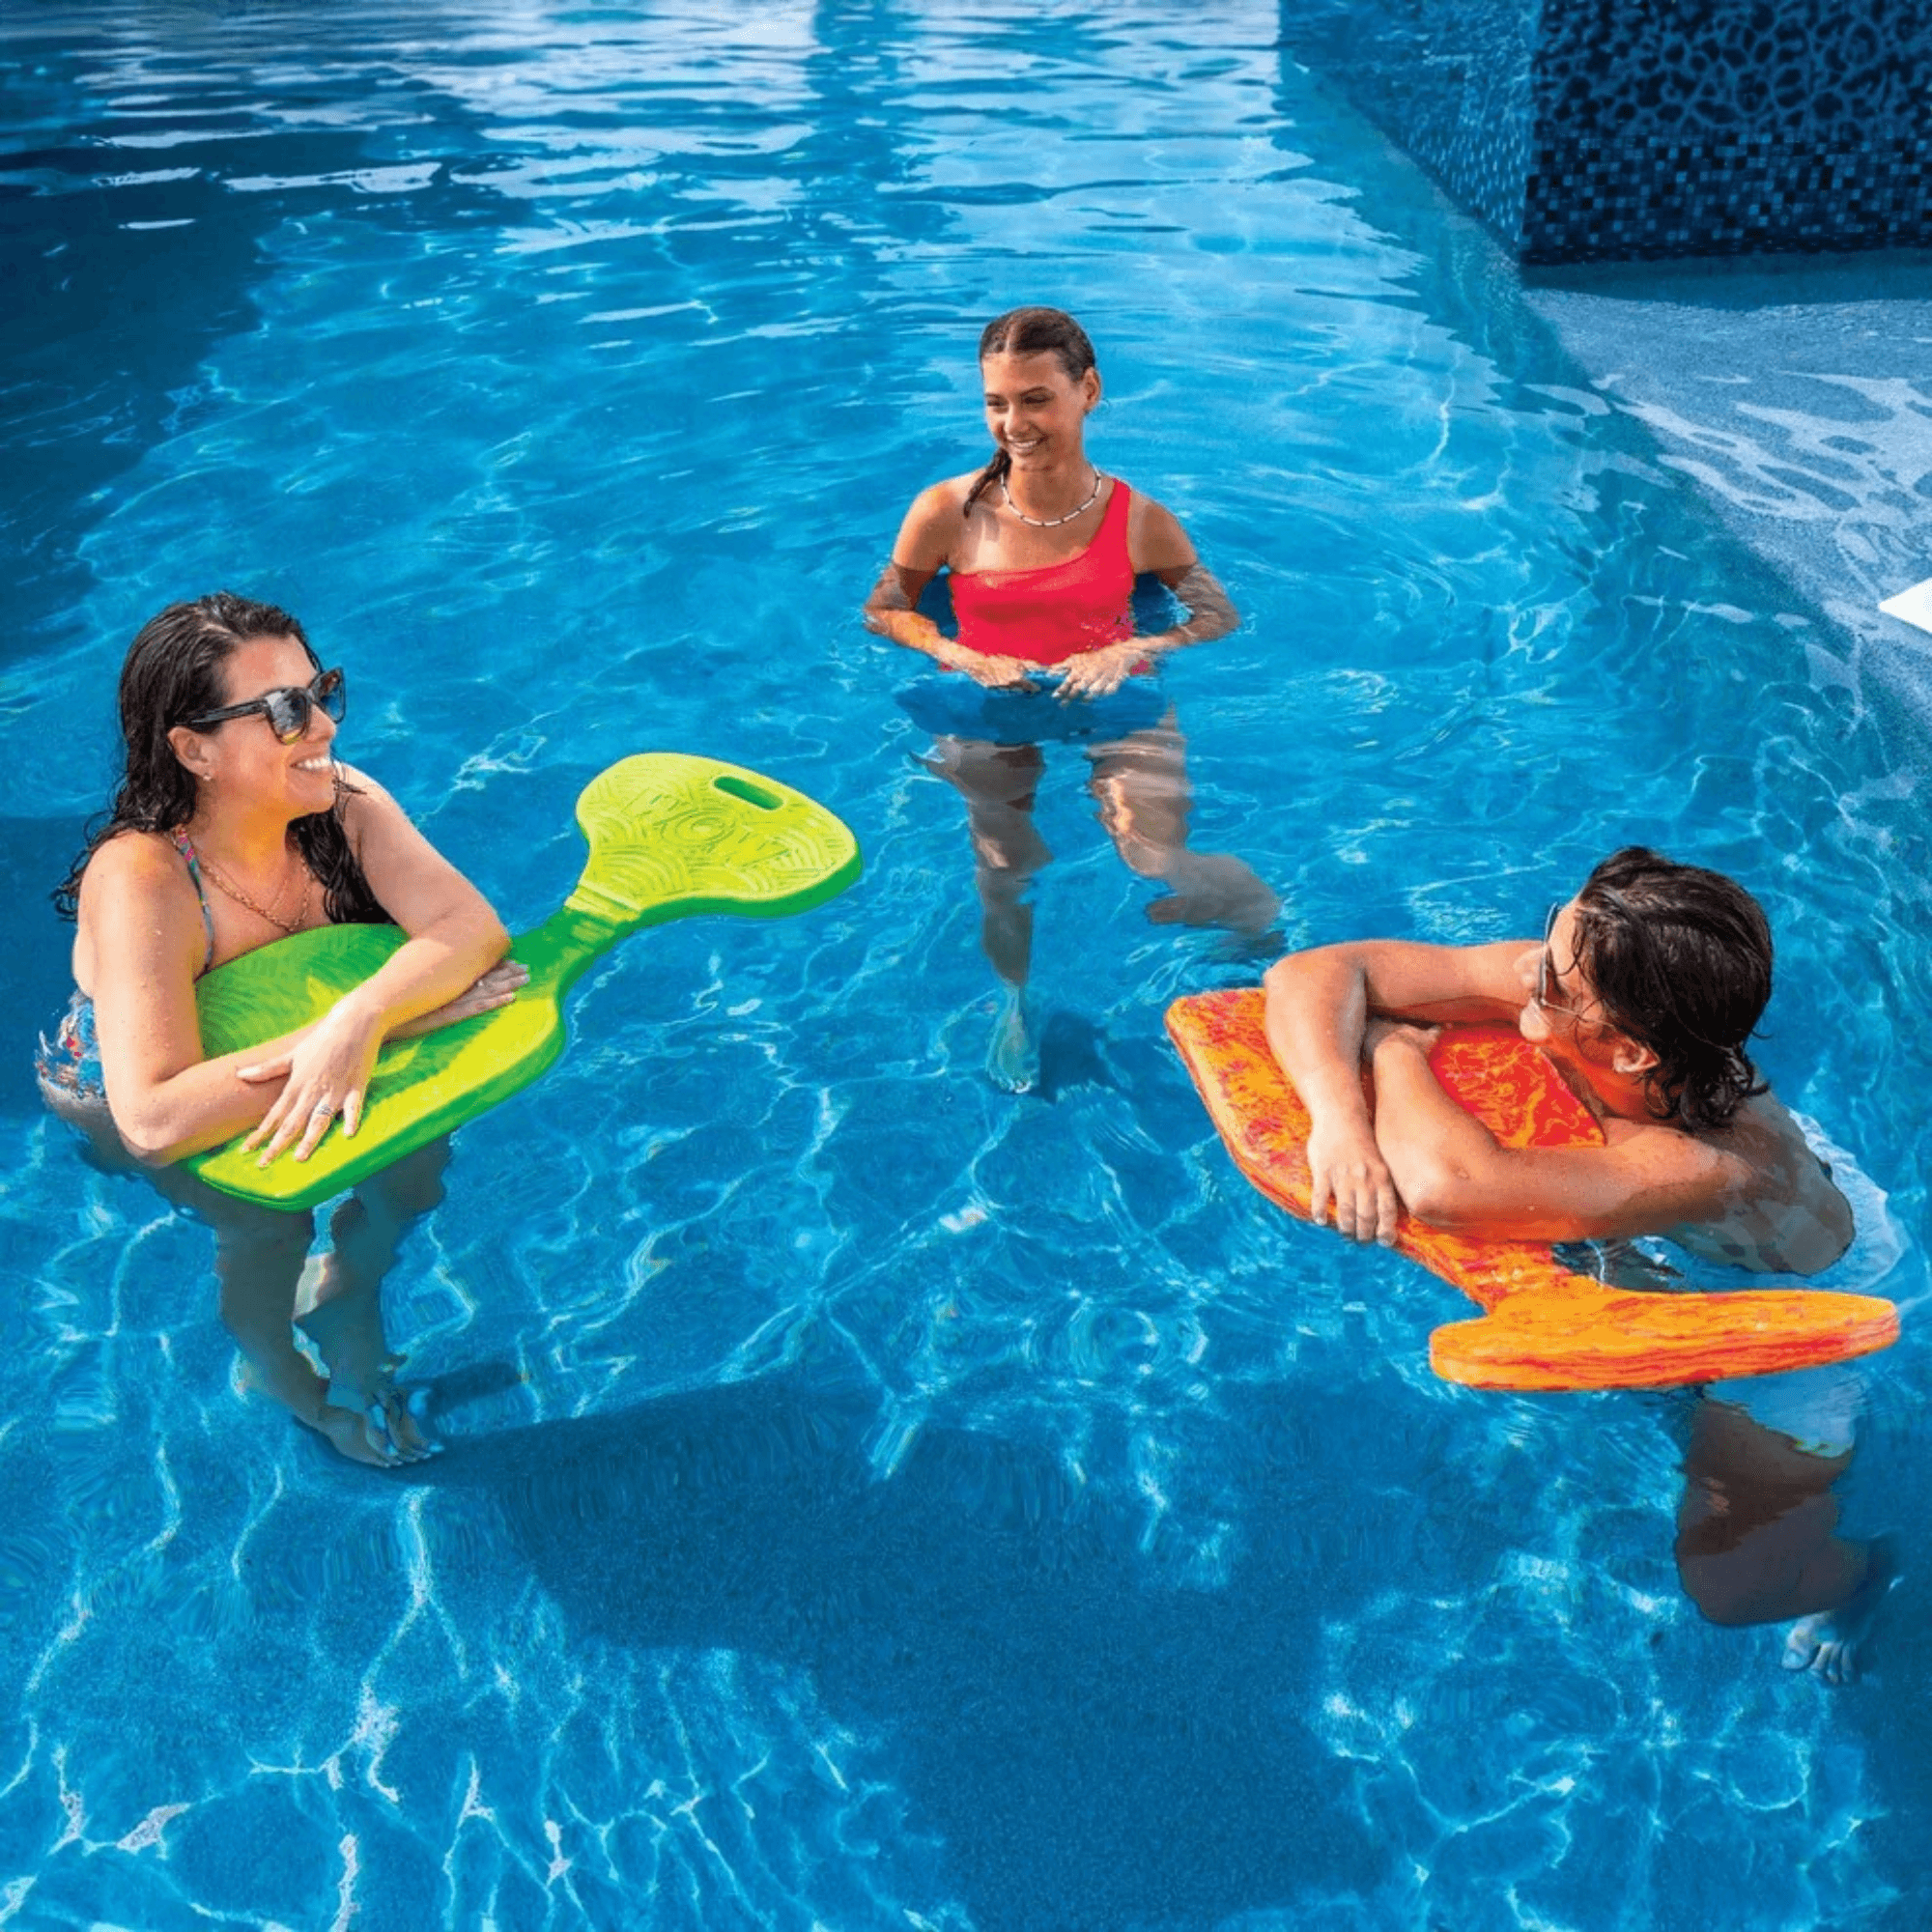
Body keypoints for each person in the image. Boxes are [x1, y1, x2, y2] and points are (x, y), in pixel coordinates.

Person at [1264, 846, 1889, 1676]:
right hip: (1730, 1223)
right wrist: (1340, 1123)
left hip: (1802, 1313)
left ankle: (1871, 1577)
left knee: (1728, 1583)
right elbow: (1312, 973)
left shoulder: (1711, 1165)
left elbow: (1451, 1186)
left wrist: (1394, 1054)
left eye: (1553, 985)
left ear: (1630, 1050)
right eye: (1550, 939)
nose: (1530, 978)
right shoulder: (1619, 1002)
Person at [40, 591, 526, 1465]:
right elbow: (152, 1117)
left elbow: (470, 930)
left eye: (321, 690)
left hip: (322, 1036)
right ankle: (285, 1376)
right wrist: (370, 1034)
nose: (323, 728)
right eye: (281, 710)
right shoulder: (145, 877)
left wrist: (368, 1016)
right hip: (125, 1085)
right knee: (271, 1223)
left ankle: (347, 1296)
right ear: (194, 750)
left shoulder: (342, 806)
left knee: (416, 1172)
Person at [865, 305, 1277, 1092]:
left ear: (1088, 390)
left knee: (1151, 853)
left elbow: (1218, 616)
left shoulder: (1140, 520)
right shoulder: (946, 511)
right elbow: (885, 609)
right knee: (1002, 864)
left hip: (1113, 701)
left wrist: (1132, 647)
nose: (1013, 423)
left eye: (1035, 398)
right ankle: (1014, 1000)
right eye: (996, 402)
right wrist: (959, 653)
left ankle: (1263, 922)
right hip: (993, 701)